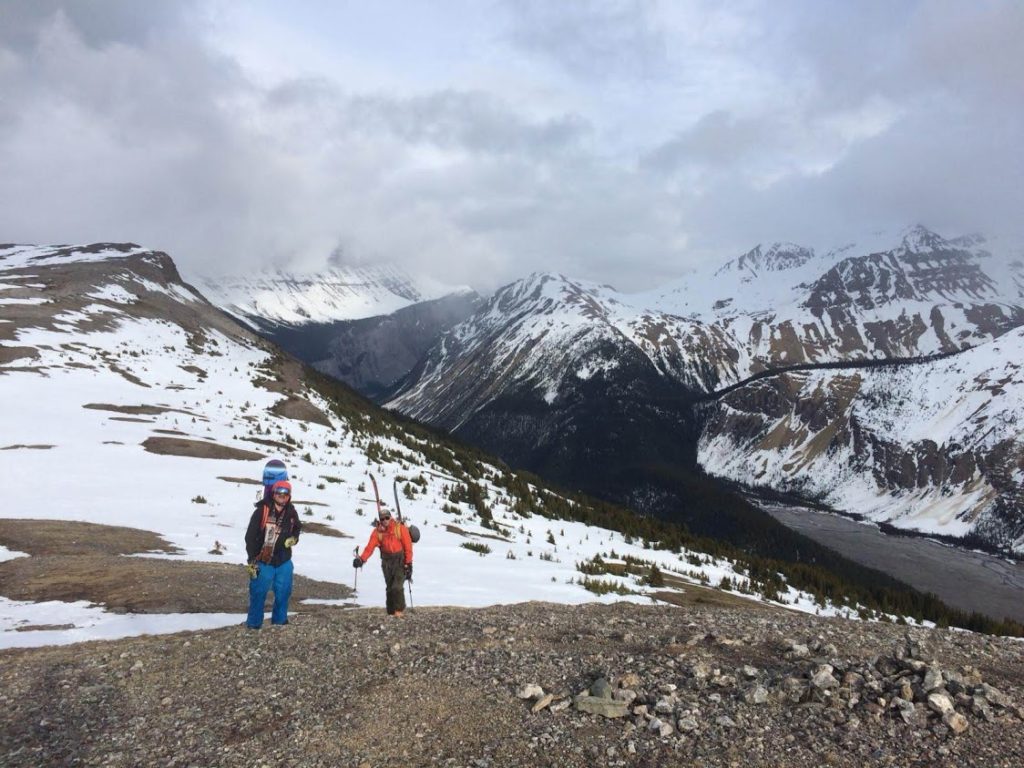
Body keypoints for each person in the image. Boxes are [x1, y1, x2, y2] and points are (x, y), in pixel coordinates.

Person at [244, 479, 301, 629]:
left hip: (284, 561)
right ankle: (254, 626)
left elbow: (297, 529)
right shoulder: (262, 511)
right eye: (279, 492)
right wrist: (251, 559)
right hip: (263, 561)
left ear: (289, 495)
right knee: (258, 593)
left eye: (286, 493)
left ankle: (280, 623)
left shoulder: (291, 512)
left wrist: (294, 539)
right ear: (273, 493)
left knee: (283, 593)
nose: (282, 496)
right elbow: (250, 537)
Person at [353, 507, 413, 616]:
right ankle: (391, 612)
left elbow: (408, 546)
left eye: (387, 517)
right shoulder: (377, 533)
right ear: (379, 520)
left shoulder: (400, 528)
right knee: (389, 588)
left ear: (390, 517)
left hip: (400, 560)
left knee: (397, 587)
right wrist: (361, 559)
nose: (385, 520)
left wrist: (408, 563)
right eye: (382, 519)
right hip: (386, 563)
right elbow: (369, 548)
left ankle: (399, 611)